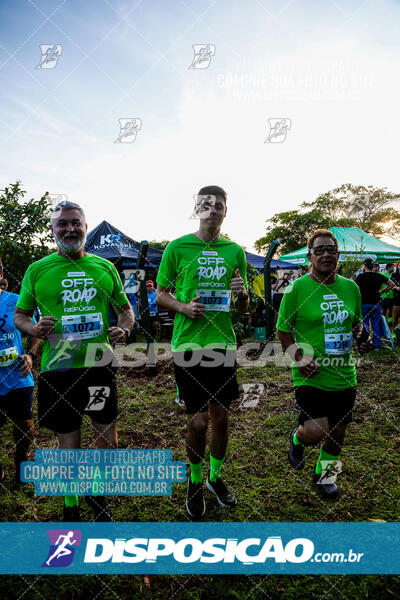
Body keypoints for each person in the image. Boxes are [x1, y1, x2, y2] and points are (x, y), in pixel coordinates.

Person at [14, 201, 134, 522]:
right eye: (62, 224)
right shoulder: (37, 270)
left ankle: (97, 491)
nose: (70, 229)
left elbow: (125, 309)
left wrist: (124, 328)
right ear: (52, 231)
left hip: (99, 366)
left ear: (85, 226)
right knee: (69, 443)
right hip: (59, 370)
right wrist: (33, 328)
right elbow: (20, 315)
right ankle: (71, 502)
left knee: (107, 440)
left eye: (75, 223)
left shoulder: (105, 267)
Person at [156, 185, 249, 518]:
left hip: (222, 344)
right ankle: (194, 482)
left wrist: (241, 296)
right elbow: (160, 294)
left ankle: (215, 478)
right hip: (189, 346)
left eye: (219, 204)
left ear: (226, 210)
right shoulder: (177, 248)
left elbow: (242, 307)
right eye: (206, 204)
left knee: (221, 418)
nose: (212, 208)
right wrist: (183, 307)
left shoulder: (234, 251)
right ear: (196, 209)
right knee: (197, 423)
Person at [277, 229, 370, 498]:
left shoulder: (351, 288)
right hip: (311, 373)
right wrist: (298, 357)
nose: (326, 254)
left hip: (344, 374)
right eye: (320, 250)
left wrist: (363, 339)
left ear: (338, 254)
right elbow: (283, 330)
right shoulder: (296, 289)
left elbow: (356, 324)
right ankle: (296, 438)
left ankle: (325, 476)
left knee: (338, 433)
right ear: (310, 256)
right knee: (316, 431)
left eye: (331, 249)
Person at [0, 260, 40, 484]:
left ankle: (20, 461)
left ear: (1, 275)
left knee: (25, 426)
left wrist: (31, 355)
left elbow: (34, 331)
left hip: (17, 374)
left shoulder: (15, 301)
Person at [355, 259, 398, 350]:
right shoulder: (378, 276)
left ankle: (364, 344)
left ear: (364, 266)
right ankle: (376, 345)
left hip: (363, 303)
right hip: (376, 303)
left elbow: (353, 288)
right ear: (373, 266)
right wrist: (382, 291)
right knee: (376, 324)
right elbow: (392, 284)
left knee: (365, 324)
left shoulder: (360, 277)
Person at [391, 265, 400, 332]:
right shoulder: (394, 275)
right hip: (396, 298)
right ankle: (394, 332)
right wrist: (397, 288)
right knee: (395, 317)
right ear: (397, 266)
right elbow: (390, 285)